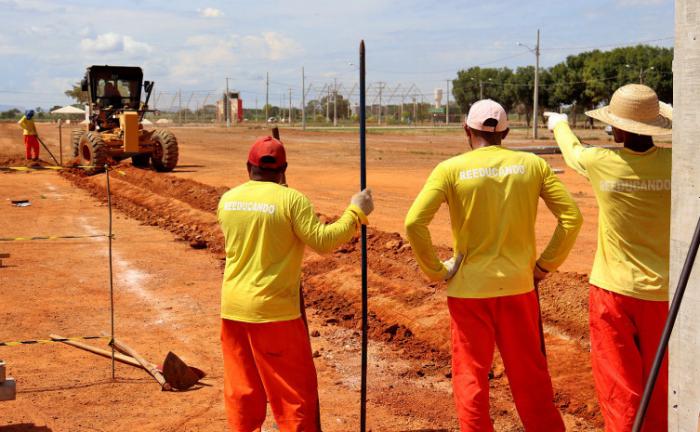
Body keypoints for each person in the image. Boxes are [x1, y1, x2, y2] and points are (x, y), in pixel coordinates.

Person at [405, 99, 582, 432]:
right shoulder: (532, 165)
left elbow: (415, 222)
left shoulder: (450, 169)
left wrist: (436, 271)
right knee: (530, 377)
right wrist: (544, 267)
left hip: (469, 292)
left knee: (471, 377)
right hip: (519, 287)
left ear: (466, 130)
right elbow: (572, 218)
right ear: (507, 131)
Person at [217, 136, 374, 431]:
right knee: (291, 393)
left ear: (248, 167)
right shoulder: (292, 200)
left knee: (242, 389)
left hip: (233, 309)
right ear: (284, 168)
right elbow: (323, 241)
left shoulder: (227, 200)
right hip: (275, 312)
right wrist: (356, 211)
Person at [546, 83, 672, 432]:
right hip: (664, 294)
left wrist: (559, 123)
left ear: (619, 128)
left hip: (612, 293)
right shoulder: (675, 164)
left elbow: (572, 152)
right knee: (661, 385)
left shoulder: (602, 162)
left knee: (619, 387)